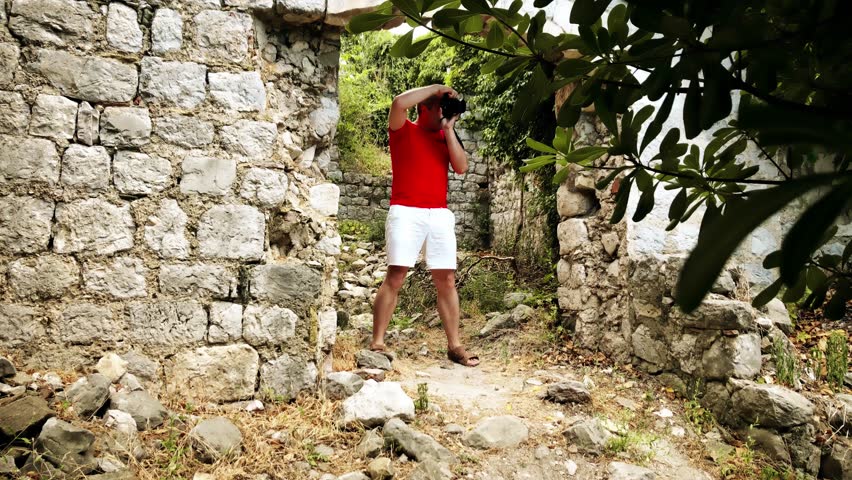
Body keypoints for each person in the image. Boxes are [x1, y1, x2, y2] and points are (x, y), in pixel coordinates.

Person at [369, 84, 480, 367]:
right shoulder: (403, 130)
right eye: (440, 107)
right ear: (424, 108)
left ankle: (454, 346)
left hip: (438, 214)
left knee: (447, 280)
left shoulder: (445, 137)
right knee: (396, 275)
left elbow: (462, 167)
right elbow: (397, 102)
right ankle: (377, 342)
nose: (444, 112)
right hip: (406, 210)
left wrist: (449, 128)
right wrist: (437, 89)